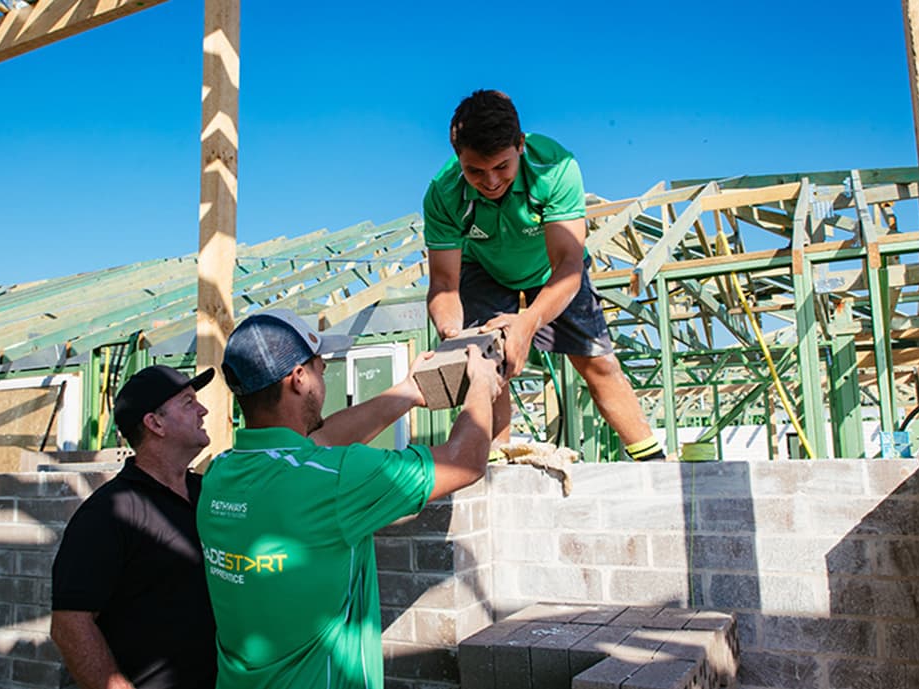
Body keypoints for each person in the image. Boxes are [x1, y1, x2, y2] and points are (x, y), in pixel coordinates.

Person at [196, 308, 502, 688]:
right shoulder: (334, 480)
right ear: (298, 378)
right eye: (319, 364)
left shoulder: (219, 474)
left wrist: (408, 392)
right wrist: (481, 385)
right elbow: (464, 461)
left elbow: (319, 442)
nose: (325, 370)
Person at [423, 89, 666, 462]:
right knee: (488, 364)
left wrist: (527, 323)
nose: (491, 182)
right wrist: (454, 335)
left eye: (501, 167)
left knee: (598, 361)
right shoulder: (443, 193)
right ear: (459, 160)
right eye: (475, 171)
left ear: (520, 146)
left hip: (553, 272)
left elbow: (568, 264)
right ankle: (495, 464)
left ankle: (652, 462)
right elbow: (443, 284)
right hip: (482, 269)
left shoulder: (556, 168)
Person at [51, 365, 219, 689]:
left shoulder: (209, 494)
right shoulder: (110, 513)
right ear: (155, 423)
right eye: (188, 403)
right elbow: (70, 625)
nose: (203, 410)